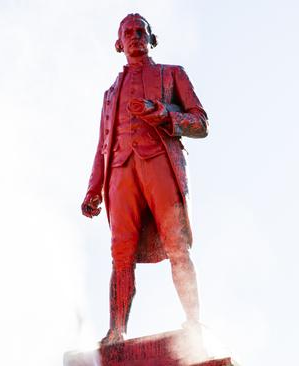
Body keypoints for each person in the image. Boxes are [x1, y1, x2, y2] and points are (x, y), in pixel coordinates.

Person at [80, 13, 208, 345]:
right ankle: (116, 331)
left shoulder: (172, 75)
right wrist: (94, 189)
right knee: (119, 254)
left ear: (152, 39)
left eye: (142, 32)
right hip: (121, 174)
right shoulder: (109, 94)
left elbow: (200, 123)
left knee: (177, 246)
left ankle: (194, 324)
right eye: (129, 33)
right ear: (118, 44)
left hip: (159, 165)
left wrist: (164, 114)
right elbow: (102, 146)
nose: (136, 36)